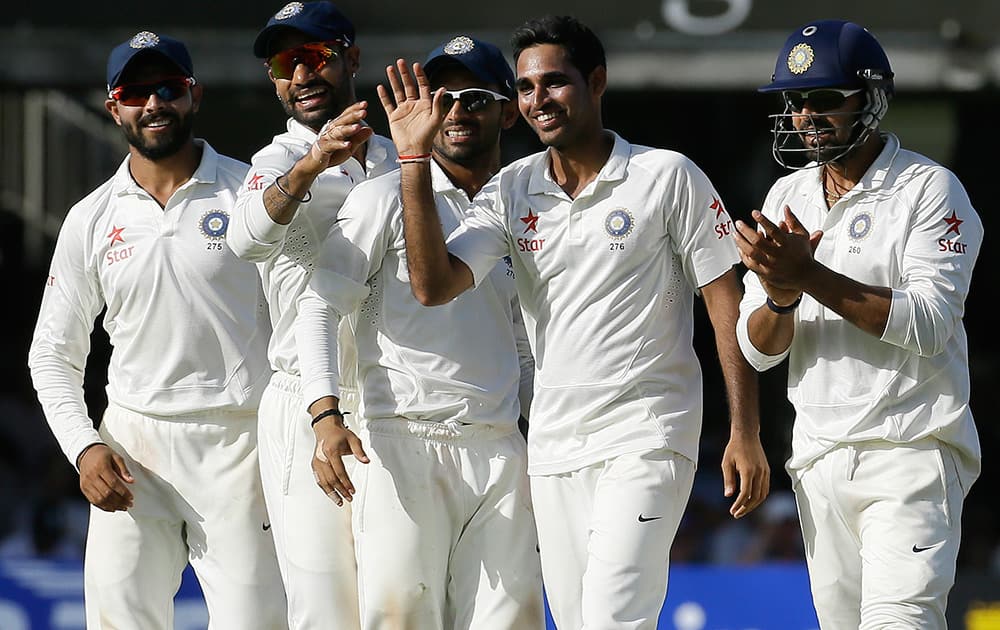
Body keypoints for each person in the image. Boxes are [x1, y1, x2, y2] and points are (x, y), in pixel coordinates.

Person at [379, 15, 770, 629]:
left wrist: (744, 430)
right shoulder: (512, 189)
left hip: (648, 434)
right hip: (556, 448)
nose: (539, 101)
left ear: (596, 81)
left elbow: (725, 304)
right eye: (527, 88)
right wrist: (412, 160)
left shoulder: (666, 175)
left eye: (555, 83)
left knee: (615, 617)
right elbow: (433, 286)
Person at [27, 31, 285, 628]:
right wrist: (84, 445)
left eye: (168, 88)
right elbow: (52, 353)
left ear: (193, 97)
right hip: (131, 446)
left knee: (257, 622)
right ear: (112, 106)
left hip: (240, 442)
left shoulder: (252, 191)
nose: (154, 103)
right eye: (136, 92)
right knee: (121, 620)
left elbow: (303, 322)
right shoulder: (91, 217)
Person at [734, 19, 982, 629]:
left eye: (824, 99)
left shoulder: (928, 189)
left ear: (870, 100)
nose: (805, 115)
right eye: (795, 101)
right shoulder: (785, 195)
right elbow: (757, 348)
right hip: (819, 460)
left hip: (912, 451)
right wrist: (783, 295)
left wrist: (808, 274)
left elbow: (929, 324)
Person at [297, 35, 543, 629]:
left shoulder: (522, 205)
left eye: (475, 98)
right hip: (402, 441)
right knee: (400, 621)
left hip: (500, 446)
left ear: (508, 111)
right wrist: (325, 415)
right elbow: (321, 306)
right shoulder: (382, 196)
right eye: (442, 98)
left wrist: (541, 432)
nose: (456, 112)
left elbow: (519, 337)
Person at [225, 2, 397, 627]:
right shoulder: (274, 162)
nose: (300, 74)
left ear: (351, 58)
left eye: (316, 56)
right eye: (284, 62)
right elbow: (245, 239)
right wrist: (311, 164)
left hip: (395, 401)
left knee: (398, 602)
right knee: (325, 610)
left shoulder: (397, 156)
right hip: (304, 404)